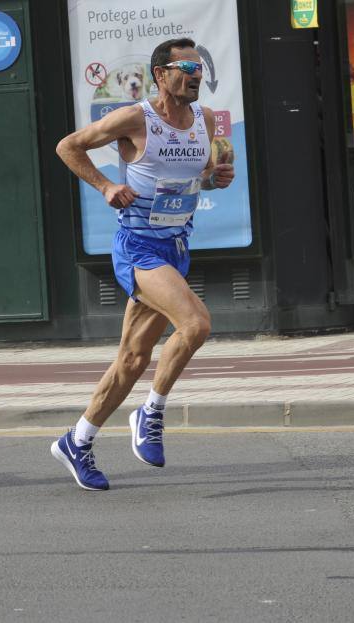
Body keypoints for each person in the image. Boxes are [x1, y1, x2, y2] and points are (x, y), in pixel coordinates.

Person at [51, 38, 235, 490]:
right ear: (161, 74)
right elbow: (68, 147)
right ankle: (150, 412)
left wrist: (214, 179)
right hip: (138, 248)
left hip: (175, 248)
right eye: (186, 65)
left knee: (132, 359)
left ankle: (78, 439)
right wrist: (105, 186)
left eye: (200, 65)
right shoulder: (137, 118)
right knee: (196, 325)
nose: (196, 73)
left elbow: (190, 182)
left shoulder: (205, 121)